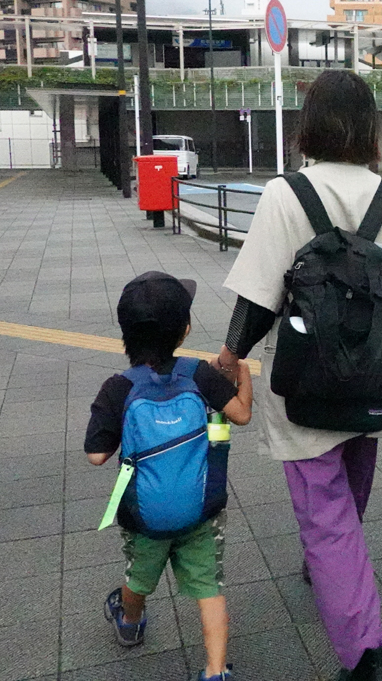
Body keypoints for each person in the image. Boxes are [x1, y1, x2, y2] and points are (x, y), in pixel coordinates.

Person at [213, 70, 382, 681]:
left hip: (305, 375)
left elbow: (259, 297)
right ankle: (331, 567)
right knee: (353, 478)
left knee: (324, 510)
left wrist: (230, 356)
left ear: (309, 124)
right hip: (375, 375)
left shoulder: (286, 195)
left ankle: (366, 657)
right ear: (370, 129)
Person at [85, 271, 253, 681]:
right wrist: (242, 374)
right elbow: (241, 416)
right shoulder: (200, 374)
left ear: (126, 332)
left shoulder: (118, 388)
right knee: (208, 587)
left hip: (144, 517)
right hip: (202, 509)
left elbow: (96, 455)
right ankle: (215, 671)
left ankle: (129, 624)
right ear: (185, 329)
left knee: (139, 578)